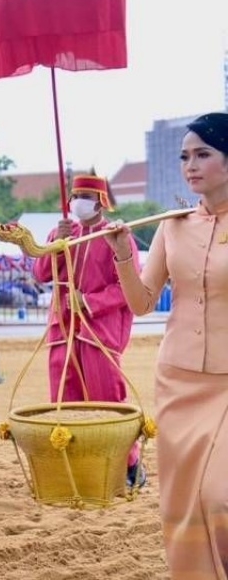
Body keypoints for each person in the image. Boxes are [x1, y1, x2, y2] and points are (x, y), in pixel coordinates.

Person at [103, 111, 228, 579]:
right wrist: (121, 251)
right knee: (183, 507)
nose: (190, 165)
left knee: (219, 497)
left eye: (202, 154)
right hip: (178, 382)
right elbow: (140, 302)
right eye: (184, 156)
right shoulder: (171, 227)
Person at [31, 174, 143, 485]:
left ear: (100, 200)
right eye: (74, 194)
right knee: (64, 402)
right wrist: (54, 245)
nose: (77, 200)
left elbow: (129, 288)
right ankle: (78, 470)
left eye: (84, 194)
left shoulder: (116, 236)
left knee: (106, 400)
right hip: (62, 329)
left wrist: (89, 300)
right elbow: (40, 274)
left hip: (99, 332)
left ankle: (130, 466)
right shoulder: (62, 232)